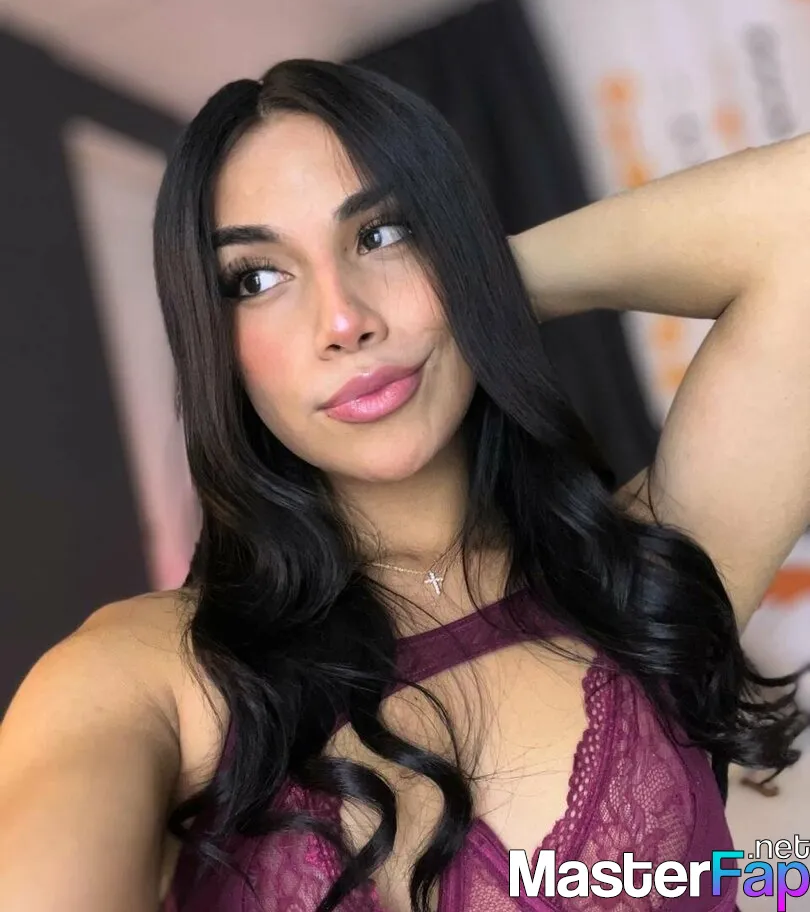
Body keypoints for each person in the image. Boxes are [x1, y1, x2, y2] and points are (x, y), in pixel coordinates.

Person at [1, 58, 809, 912]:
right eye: (257, 279)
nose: (344, 320)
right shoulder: (143, 678)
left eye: (383, 233)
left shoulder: (637, 585)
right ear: (215, 346)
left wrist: (476, 290)